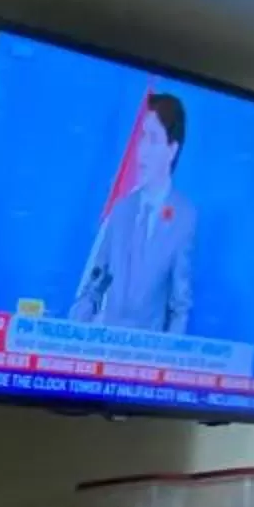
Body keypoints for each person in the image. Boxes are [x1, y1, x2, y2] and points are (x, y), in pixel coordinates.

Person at [70, 91, 195, 333]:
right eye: (142, 138)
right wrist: (73, 333)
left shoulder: (185, 217)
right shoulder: (122, 210)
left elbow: (180, 308)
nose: (142, 151)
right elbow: (93, 289)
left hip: (146, 359)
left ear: (172, 150)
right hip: (103, 348)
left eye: (153, 139)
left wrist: (166, 363)